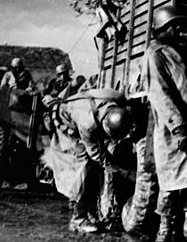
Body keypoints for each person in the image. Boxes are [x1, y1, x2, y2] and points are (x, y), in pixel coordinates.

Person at [145, 4, 187, 242]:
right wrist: (178, 126)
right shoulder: (156, 54)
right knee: (171, 177)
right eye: (174, 26)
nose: (179, 30)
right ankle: (165, 227)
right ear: (162, 28)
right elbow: (161, 94)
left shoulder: (177, 51)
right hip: (173, 128)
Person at [46, 88, 134, 233]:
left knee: (96, 166)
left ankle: (92, 213)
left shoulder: (117, 97)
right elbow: (97, 155)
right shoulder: (88, 124)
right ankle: (78, 219)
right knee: (85, 165)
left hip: (83, 111)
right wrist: (123, 171)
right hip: (65, 123)